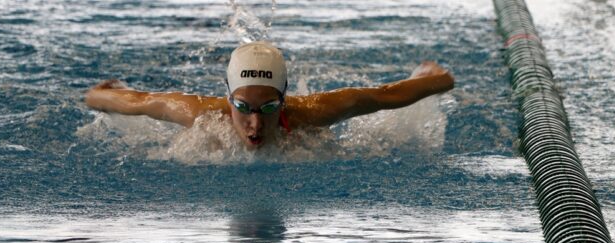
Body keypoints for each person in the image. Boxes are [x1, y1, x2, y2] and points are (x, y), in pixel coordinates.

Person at [85, 41, 454, 150]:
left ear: (285, 98)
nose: (256, 123)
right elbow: (142, 102)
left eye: (270, 107)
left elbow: (381, 96)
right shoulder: (201, 114)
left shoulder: (310, 113)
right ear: (227, 97)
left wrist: (435, 79)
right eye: (243, 107)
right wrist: (100, 95)